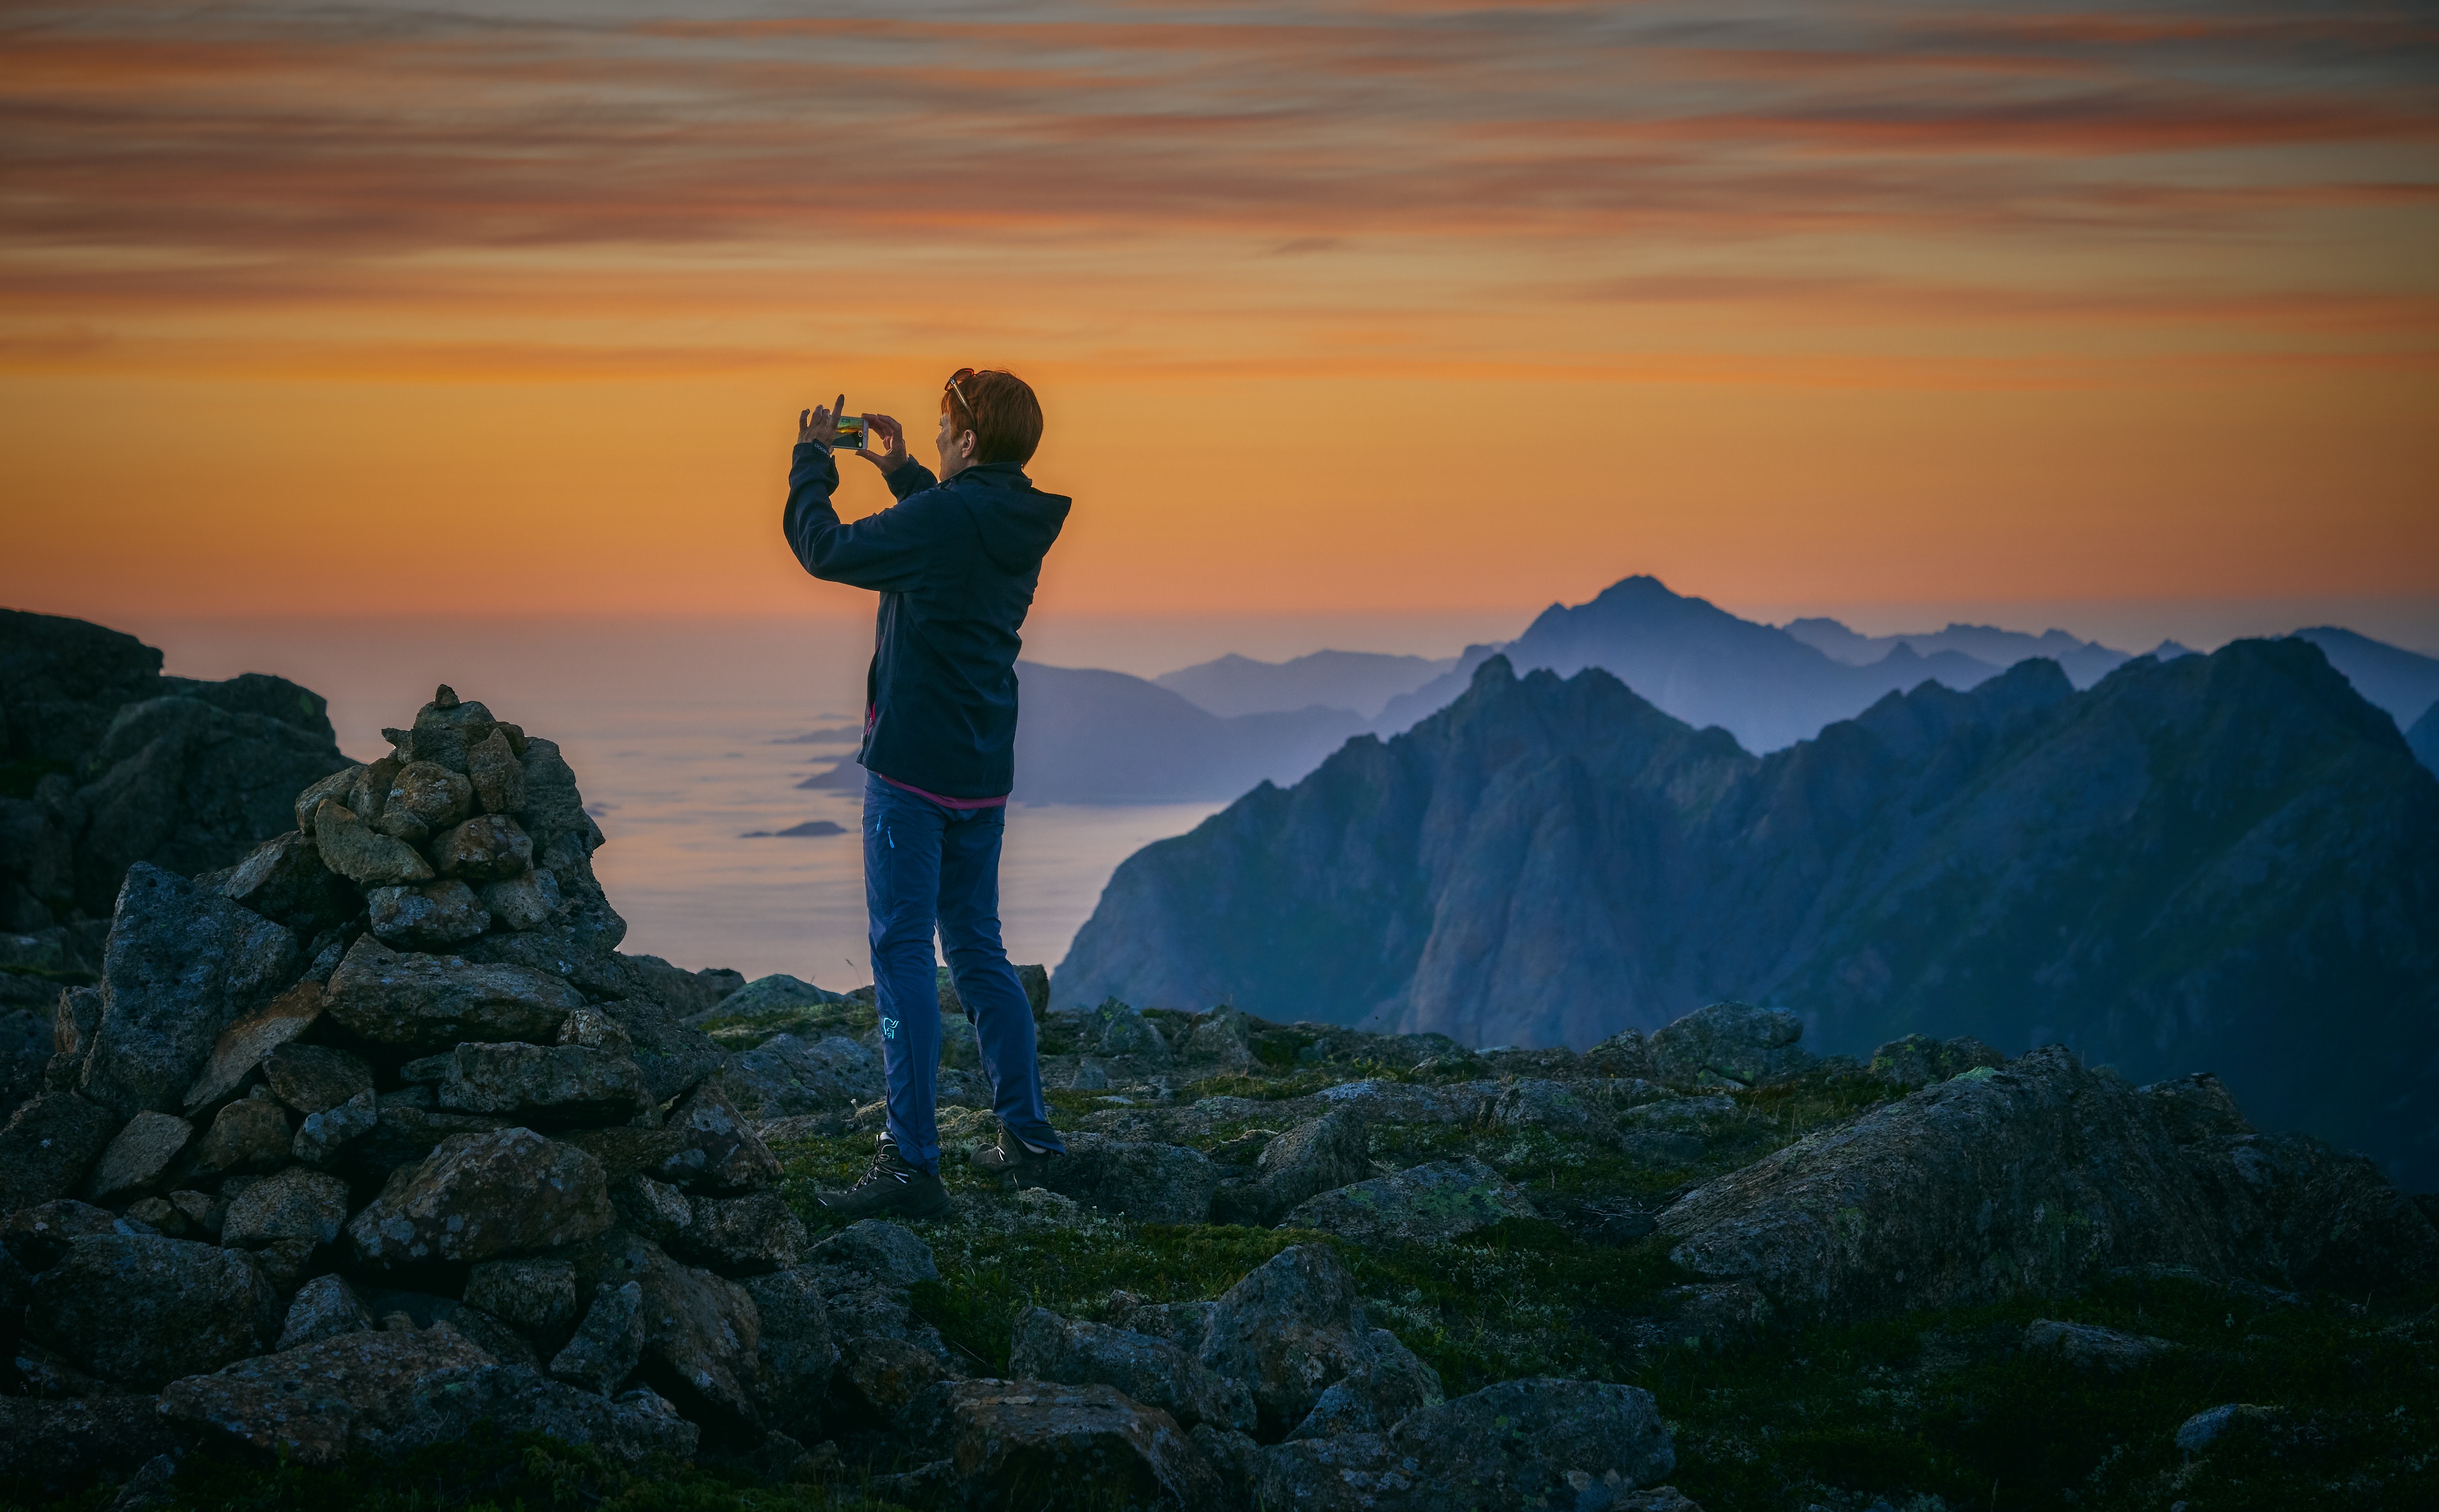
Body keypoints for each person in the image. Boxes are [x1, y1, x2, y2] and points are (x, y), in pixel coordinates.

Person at [782, 369, 1070, 1219]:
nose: (939, 436)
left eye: (946, 428)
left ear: (971, 441)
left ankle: (911, 1162)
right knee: (978, 948)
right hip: (981, 771)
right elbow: (953, 536)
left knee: (902, 951)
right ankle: (1028, 1139)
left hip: (911, 771)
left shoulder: (948, 517)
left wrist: (811, 463)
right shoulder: (1015, 517)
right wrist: (906, 470)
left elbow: (824, 549)